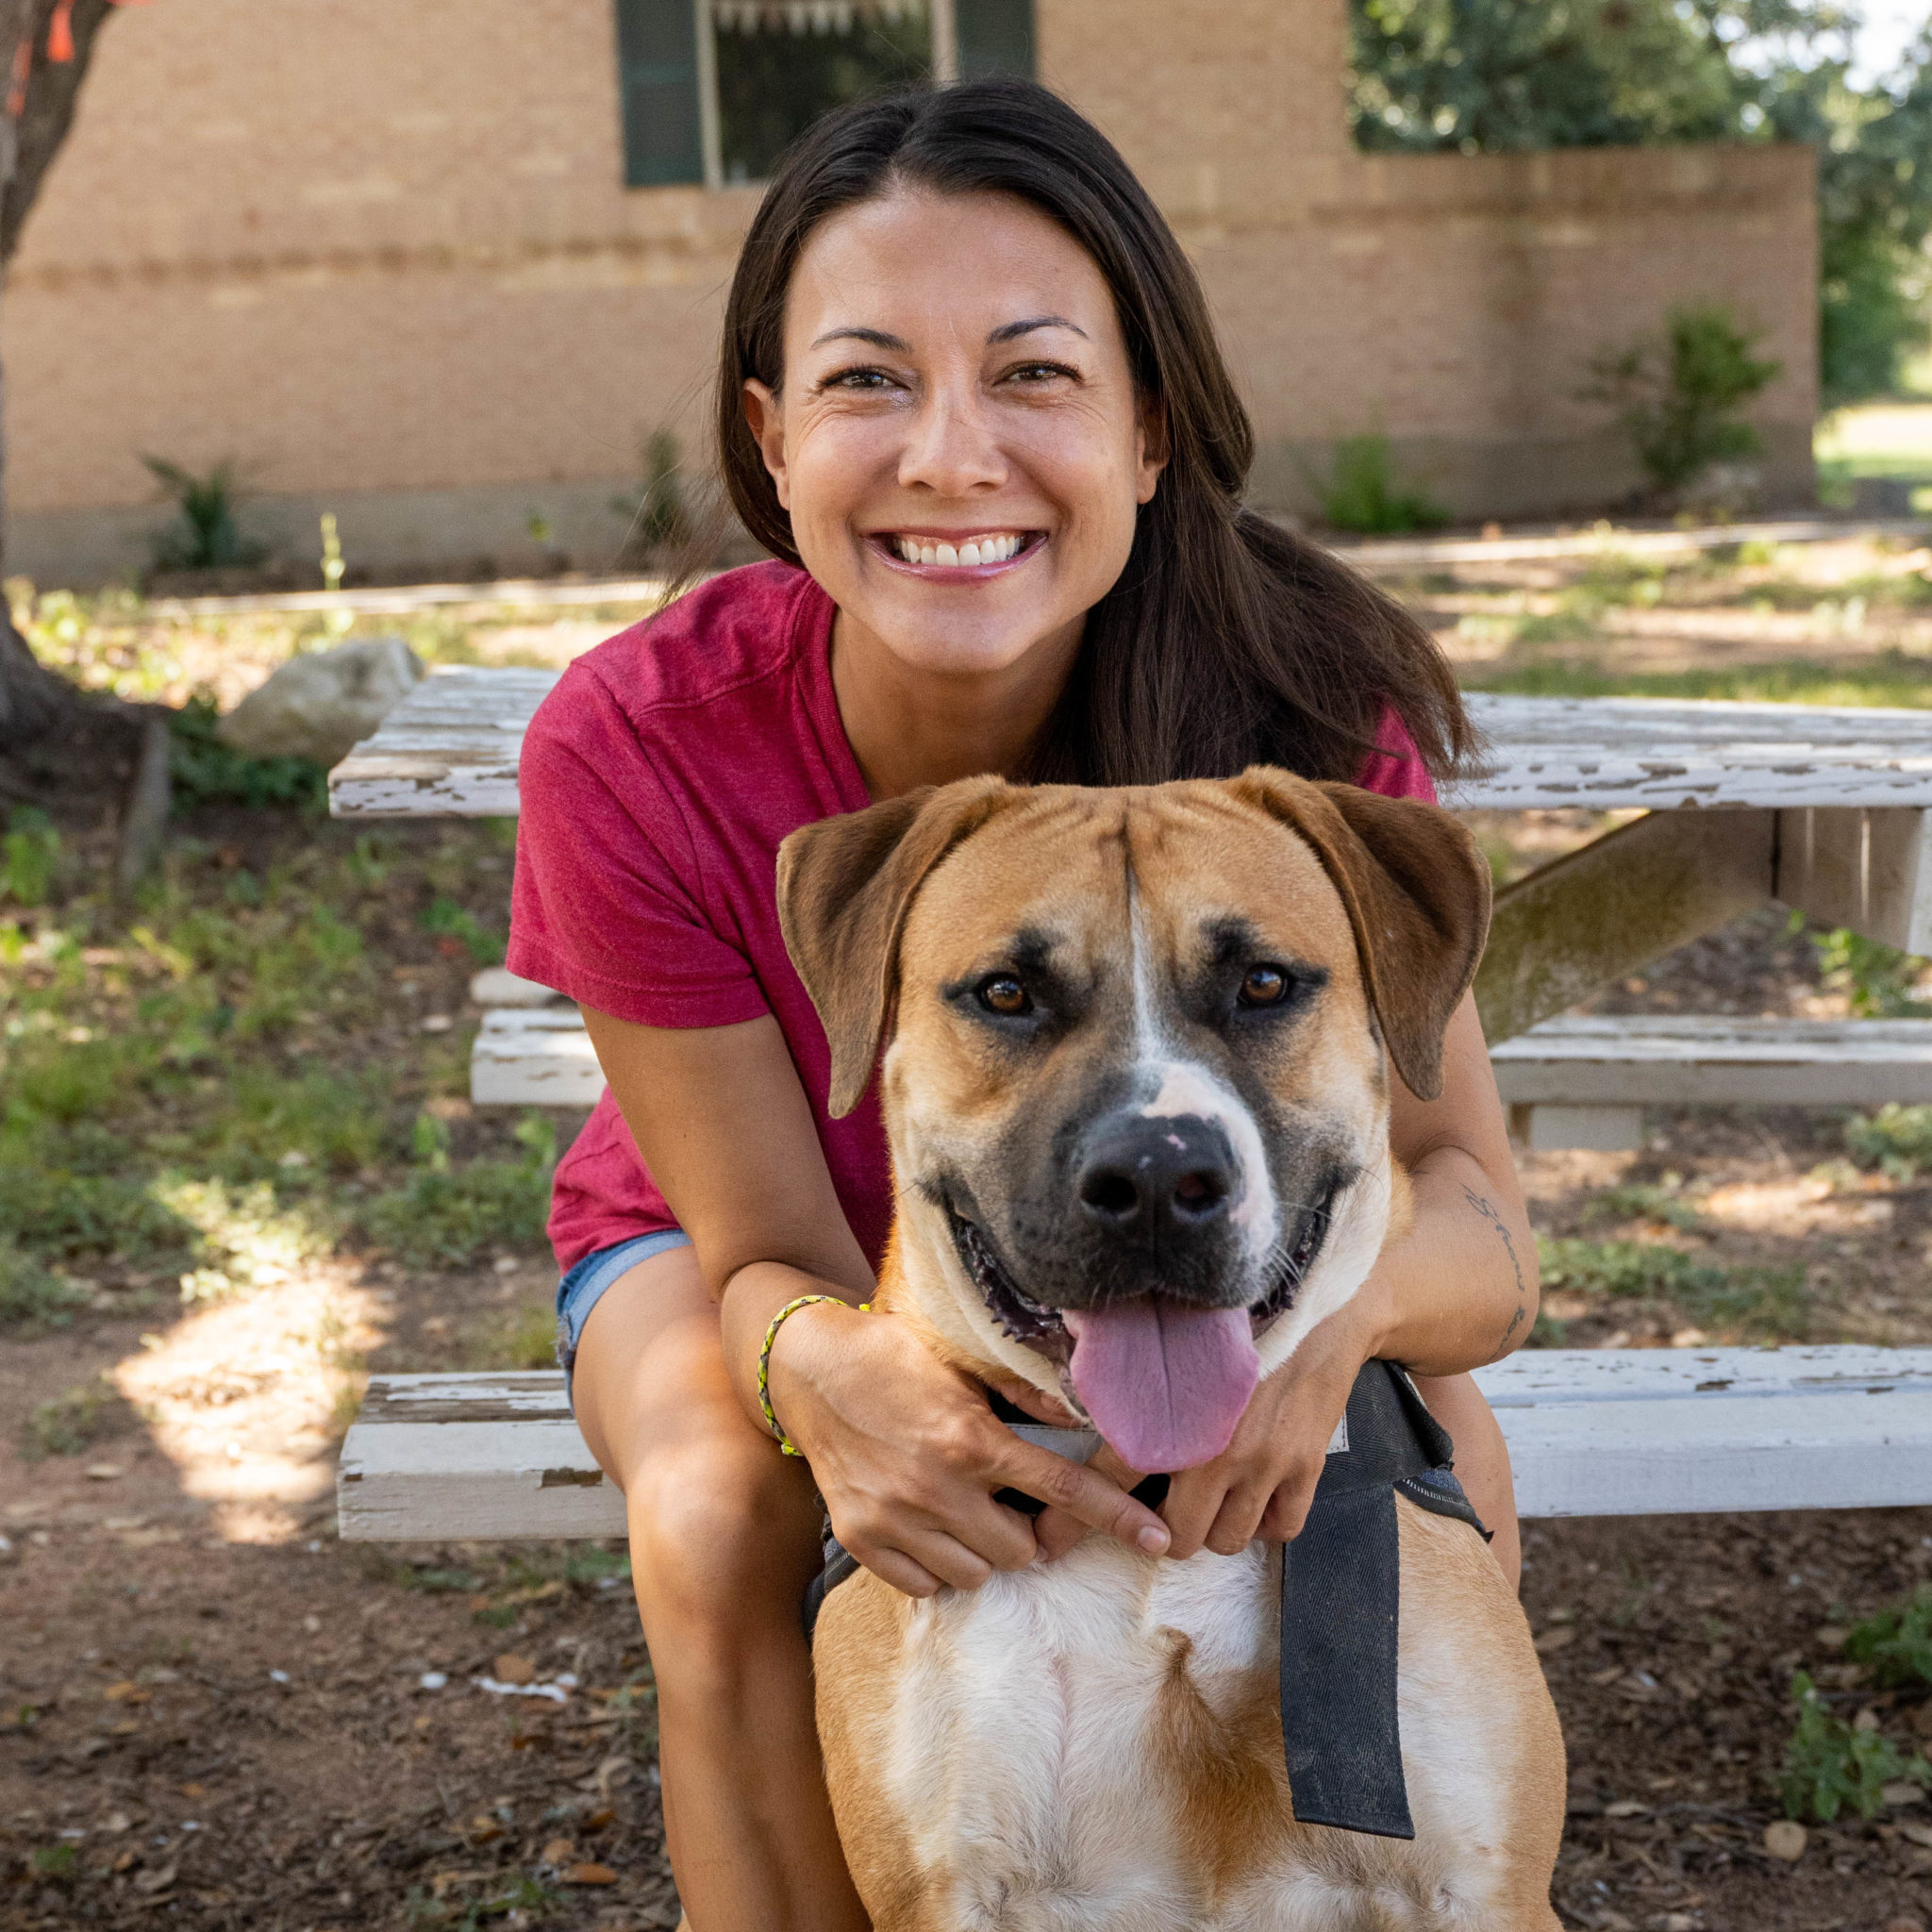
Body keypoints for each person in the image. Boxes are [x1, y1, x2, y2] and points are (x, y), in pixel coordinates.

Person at [507, 76, 1540, 1932]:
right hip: (749, 1222)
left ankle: (1376, 1863)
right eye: (867, 378)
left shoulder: (1297, 721)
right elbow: (761, 1246)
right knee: (729, 1503)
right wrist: (828, 1377)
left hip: (1172, 1221)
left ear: (1148, 427)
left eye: (1034, 374)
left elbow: (1473, 1213)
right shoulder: (642, 738)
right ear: (771, 434)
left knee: (1436, 1436)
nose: (949, 454)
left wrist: (1329, 1341)